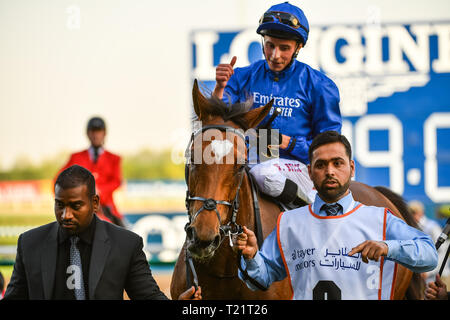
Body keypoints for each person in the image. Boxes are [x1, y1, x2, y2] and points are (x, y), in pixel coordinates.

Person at [235, 131, 438, 300]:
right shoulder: (287, 224)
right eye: (321, 165)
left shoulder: (381, 219)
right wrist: (251, 257)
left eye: (337, 163)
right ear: (310, 172)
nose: (329, 171)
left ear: (351, 168)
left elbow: (429, 255)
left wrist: (389, 247)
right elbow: (260, 279)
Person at [4, 165, 201, 300]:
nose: (66, 215)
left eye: (75, 206)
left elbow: (147, 296)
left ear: (95, 203)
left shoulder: (126, 244)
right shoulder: (30, 243)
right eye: (60, 205)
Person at [213, 2, 341, 207]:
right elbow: (217, 119)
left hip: (300, 168)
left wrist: (287, 142)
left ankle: (316, 208)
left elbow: (330, 146)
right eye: (270, 45)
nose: (275, 55)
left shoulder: (319, 85)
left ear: (298, 47)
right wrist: (219, 88)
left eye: (284, 48)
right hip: (249, 162)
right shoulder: (241, 76)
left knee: (263, 173)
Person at [56, 116, 124, 226]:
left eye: (99, 131)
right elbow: (59, 179)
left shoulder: (114, 158)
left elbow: (117, 182)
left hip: (106, 207)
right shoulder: (75, 157)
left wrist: (100, 190)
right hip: (79, 207)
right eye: (92, 131)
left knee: (124, 235)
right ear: (87, 134)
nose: (96, 135)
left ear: (104, 133)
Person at [409, 200, 450, 282]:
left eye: (414, 212)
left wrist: (429, 272)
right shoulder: (412, 228)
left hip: (440, 276)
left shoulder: (432, 227)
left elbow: (442, 251)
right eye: (411, 213)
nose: (412, 216)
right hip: (424, 278)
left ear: (421, 212)